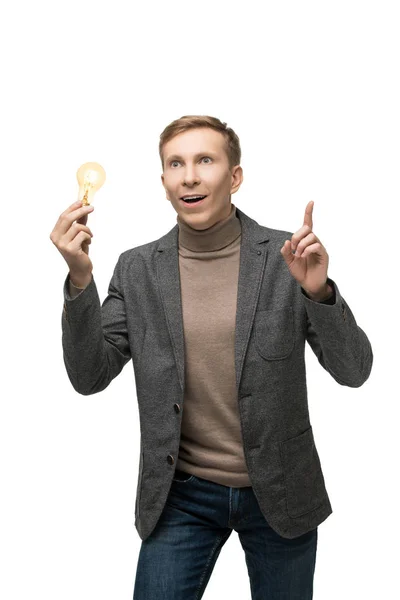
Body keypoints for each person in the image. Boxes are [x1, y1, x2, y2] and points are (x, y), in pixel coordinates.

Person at [50, 115, 373, 599]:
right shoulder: (137, 270)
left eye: (205, 160)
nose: (190, 176)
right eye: (175, 164)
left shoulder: (290, 257)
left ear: (235, 177)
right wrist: (79, 281)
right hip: (181, 495)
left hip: (281, 491)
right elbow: (89, 375)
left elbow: (354, 371)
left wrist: (319, 292)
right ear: (164, 184)